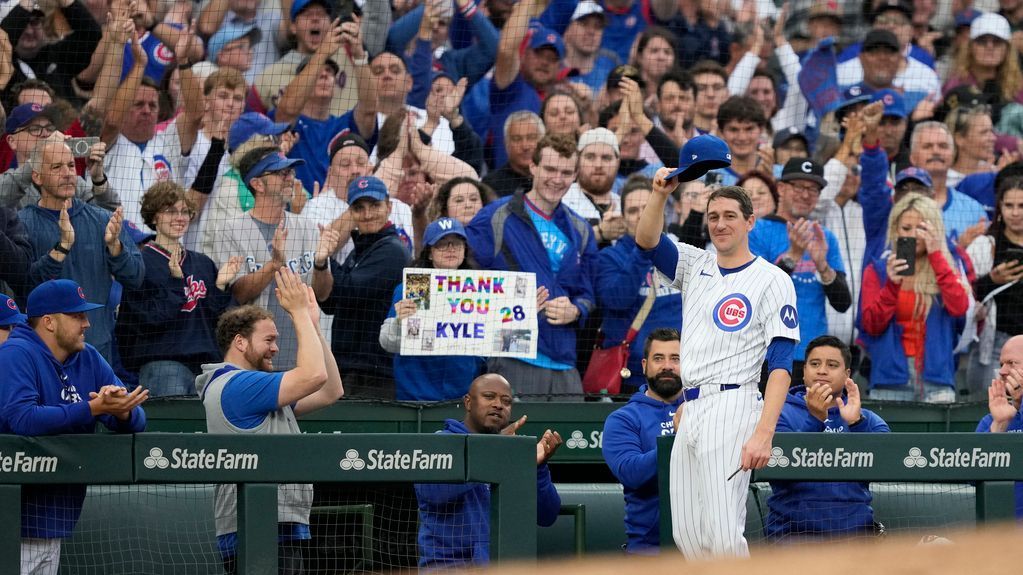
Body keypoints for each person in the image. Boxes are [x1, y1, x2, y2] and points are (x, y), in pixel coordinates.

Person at [633, 135, 799, 558]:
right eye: (712, 216)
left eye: (729, 215)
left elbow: (781, 364)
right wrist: (658, 193)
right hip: (689, 407)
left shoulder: (772, 278)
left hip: (734, 403)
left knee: (724, 536)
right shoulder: (696, 263)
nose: (720, 223)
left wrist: (764, 431)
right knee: (690, 537)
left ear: (749, 221)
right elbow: (648, 241)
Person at [196, 267, 343, 574]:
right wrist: (299, 314)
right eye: (269, 339)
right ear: (240, 342)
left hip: (279, 524)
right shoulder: (237, 385)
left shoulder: (259, 389)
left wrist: (313, 325)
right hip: (256, 526)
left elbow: (331, 390)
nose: (276, 348)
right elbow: (313, 375)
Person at [0, 279, 148, 574]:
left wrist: (120, 411)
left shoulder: (88, 357)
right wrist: (91, 408)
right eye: (77, 316)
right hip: (11, 518)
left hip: (55, 519)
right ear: (49, 322)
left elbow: (138, 418)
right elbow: (23, 418)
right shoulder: (15, 354)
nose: (87, 324)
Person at [467, 134, 598, 401]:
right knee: (515, 442)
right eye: (549, 169)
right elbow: (465, 278)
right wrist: (511, 304)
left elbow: (589, 292)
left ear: (575, 176)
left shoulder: (581, 229)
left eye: (565, 172)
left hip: (564, 360)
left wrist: (576, 310)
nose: (557, 179)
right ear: (533, 167)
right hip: (512, 354)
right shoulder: (495, 217)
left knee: (568, 442)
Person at [414, 373, 562, 568]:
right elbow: (435, 494)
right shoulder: (439, 443)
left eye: (506, 401)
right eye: (489, 396)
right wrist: (494, 451)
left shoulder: (512, 451)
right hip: (449, 566)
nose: (498, 404)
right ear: (468, 402)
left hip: (504, 566)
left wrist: (537, 469)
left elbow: (547, 515)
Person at [19, 135, 144, 362]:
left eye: (70, 165)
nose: (67, 173)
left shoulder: (102, 219)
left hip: (96, 350)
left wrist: (115, 247)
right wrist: (61, 248)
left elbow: (136, 276)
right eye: (57, 167)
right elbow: (24, 286)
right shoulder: (22, 223)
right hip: (43, 353)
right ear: (36, 176)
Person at [211, 146, 336, 372]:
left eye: (290, 172)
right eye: (281, 173)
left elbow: (323, 294)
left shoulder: (307, 227)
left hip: (303, 355)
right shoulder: (230, 231)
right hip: (255, 360)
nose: (290, 179)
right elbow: (239, 294)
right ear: (258, 184)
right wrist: (274, 265)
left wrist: (321, 263)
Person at [116, 182, 241, 397]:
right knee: (172, 428)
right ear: (154, 217)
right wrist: (175, 283)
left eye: (185, 211)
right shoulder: (140, 263)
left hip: (207, 366)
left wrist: (220, 286)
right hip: (163, 364)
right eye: (170, 211)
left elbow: (216, 320)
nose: (179, 217)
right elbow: (148, 319)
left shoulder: (203, 263)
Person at [767, 336, 890, 542]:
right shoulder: (778, 413)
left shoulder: (867, 419)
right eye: (815, 364)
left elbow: (887, 462)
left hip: (856, 537)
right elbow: (781, 468)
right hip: (795, 537)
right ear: (804, 370)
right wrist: (815, 420)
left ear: (847, 374)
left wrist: (856, 424)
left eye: (832, 365)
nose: (822, 370)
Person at [860, 193, 970, 403]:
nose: (913, 235)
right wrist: (892, 286)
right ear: (895, 230)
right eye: (906, 228)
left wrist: (937, 255)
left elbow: (959, 307)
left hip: (936, 378)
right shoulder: (877, 270)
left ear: (934, 229)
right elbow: (871, 325)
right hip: (890, 379)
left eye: (921, 228)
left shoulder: (946, 269)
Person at [750, 158, 852, 384]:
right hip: (766, 354)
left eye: (813, 189)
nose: (806, 195)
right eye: (799, 187)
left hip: (812, 358)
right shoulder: (757, 231)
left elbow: (842, 303)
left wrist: (823, 266)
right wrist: (793, 256)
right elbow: (756, 294)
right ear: (781, 188)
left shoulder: (825, 237)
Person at [319, 176, 410, 399]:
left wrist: (327, 257)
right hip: (352, 368)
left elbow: (348, 291)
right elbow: (330, 303)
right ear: (351, 213)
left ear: (388, 207)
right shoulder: (359, 250)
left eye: (375, 205)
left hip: (374, 372)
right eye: (359, 208)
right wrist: (321, 262)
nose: (368, 214)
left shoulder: (392, 250)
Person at [379, 218, 488, 401]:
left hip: (463, 398)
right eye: (442, 244)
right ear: (429, 253)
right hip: (415, 396)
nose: (451, 249)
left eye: (457, 244)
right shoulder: (413, 287)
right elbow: (386, 342)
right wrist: (399, 322)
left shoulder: (481, 290)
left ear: (464, 250)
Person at [601, 328, 683, 555]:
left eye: (675, 358)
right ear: (645, 365)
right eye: (659, 358)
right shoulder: (622, 419)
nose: (667, 365)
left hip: (706, 548)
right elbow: (631, 473)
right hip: (649, 552)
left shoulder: (705, 410)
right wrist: (679, 437)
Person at [597, 176, 682, 391]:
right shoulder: (609, 257)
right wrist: (644, 249)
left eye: (647, 208)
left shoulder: (680, 254)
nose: (641, 215)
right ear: (623, 219)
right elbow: (617, 299)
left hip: (681, 375)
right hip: (631, 377)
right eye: (633, 211)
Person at [976, 334, 1023, 519]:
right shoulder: (991, 421)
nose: (1002, 371)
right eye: (1001, 363)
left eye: (1012, 363)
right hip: (1000, 537)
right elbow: (972, 476)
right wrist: (1000, 425)